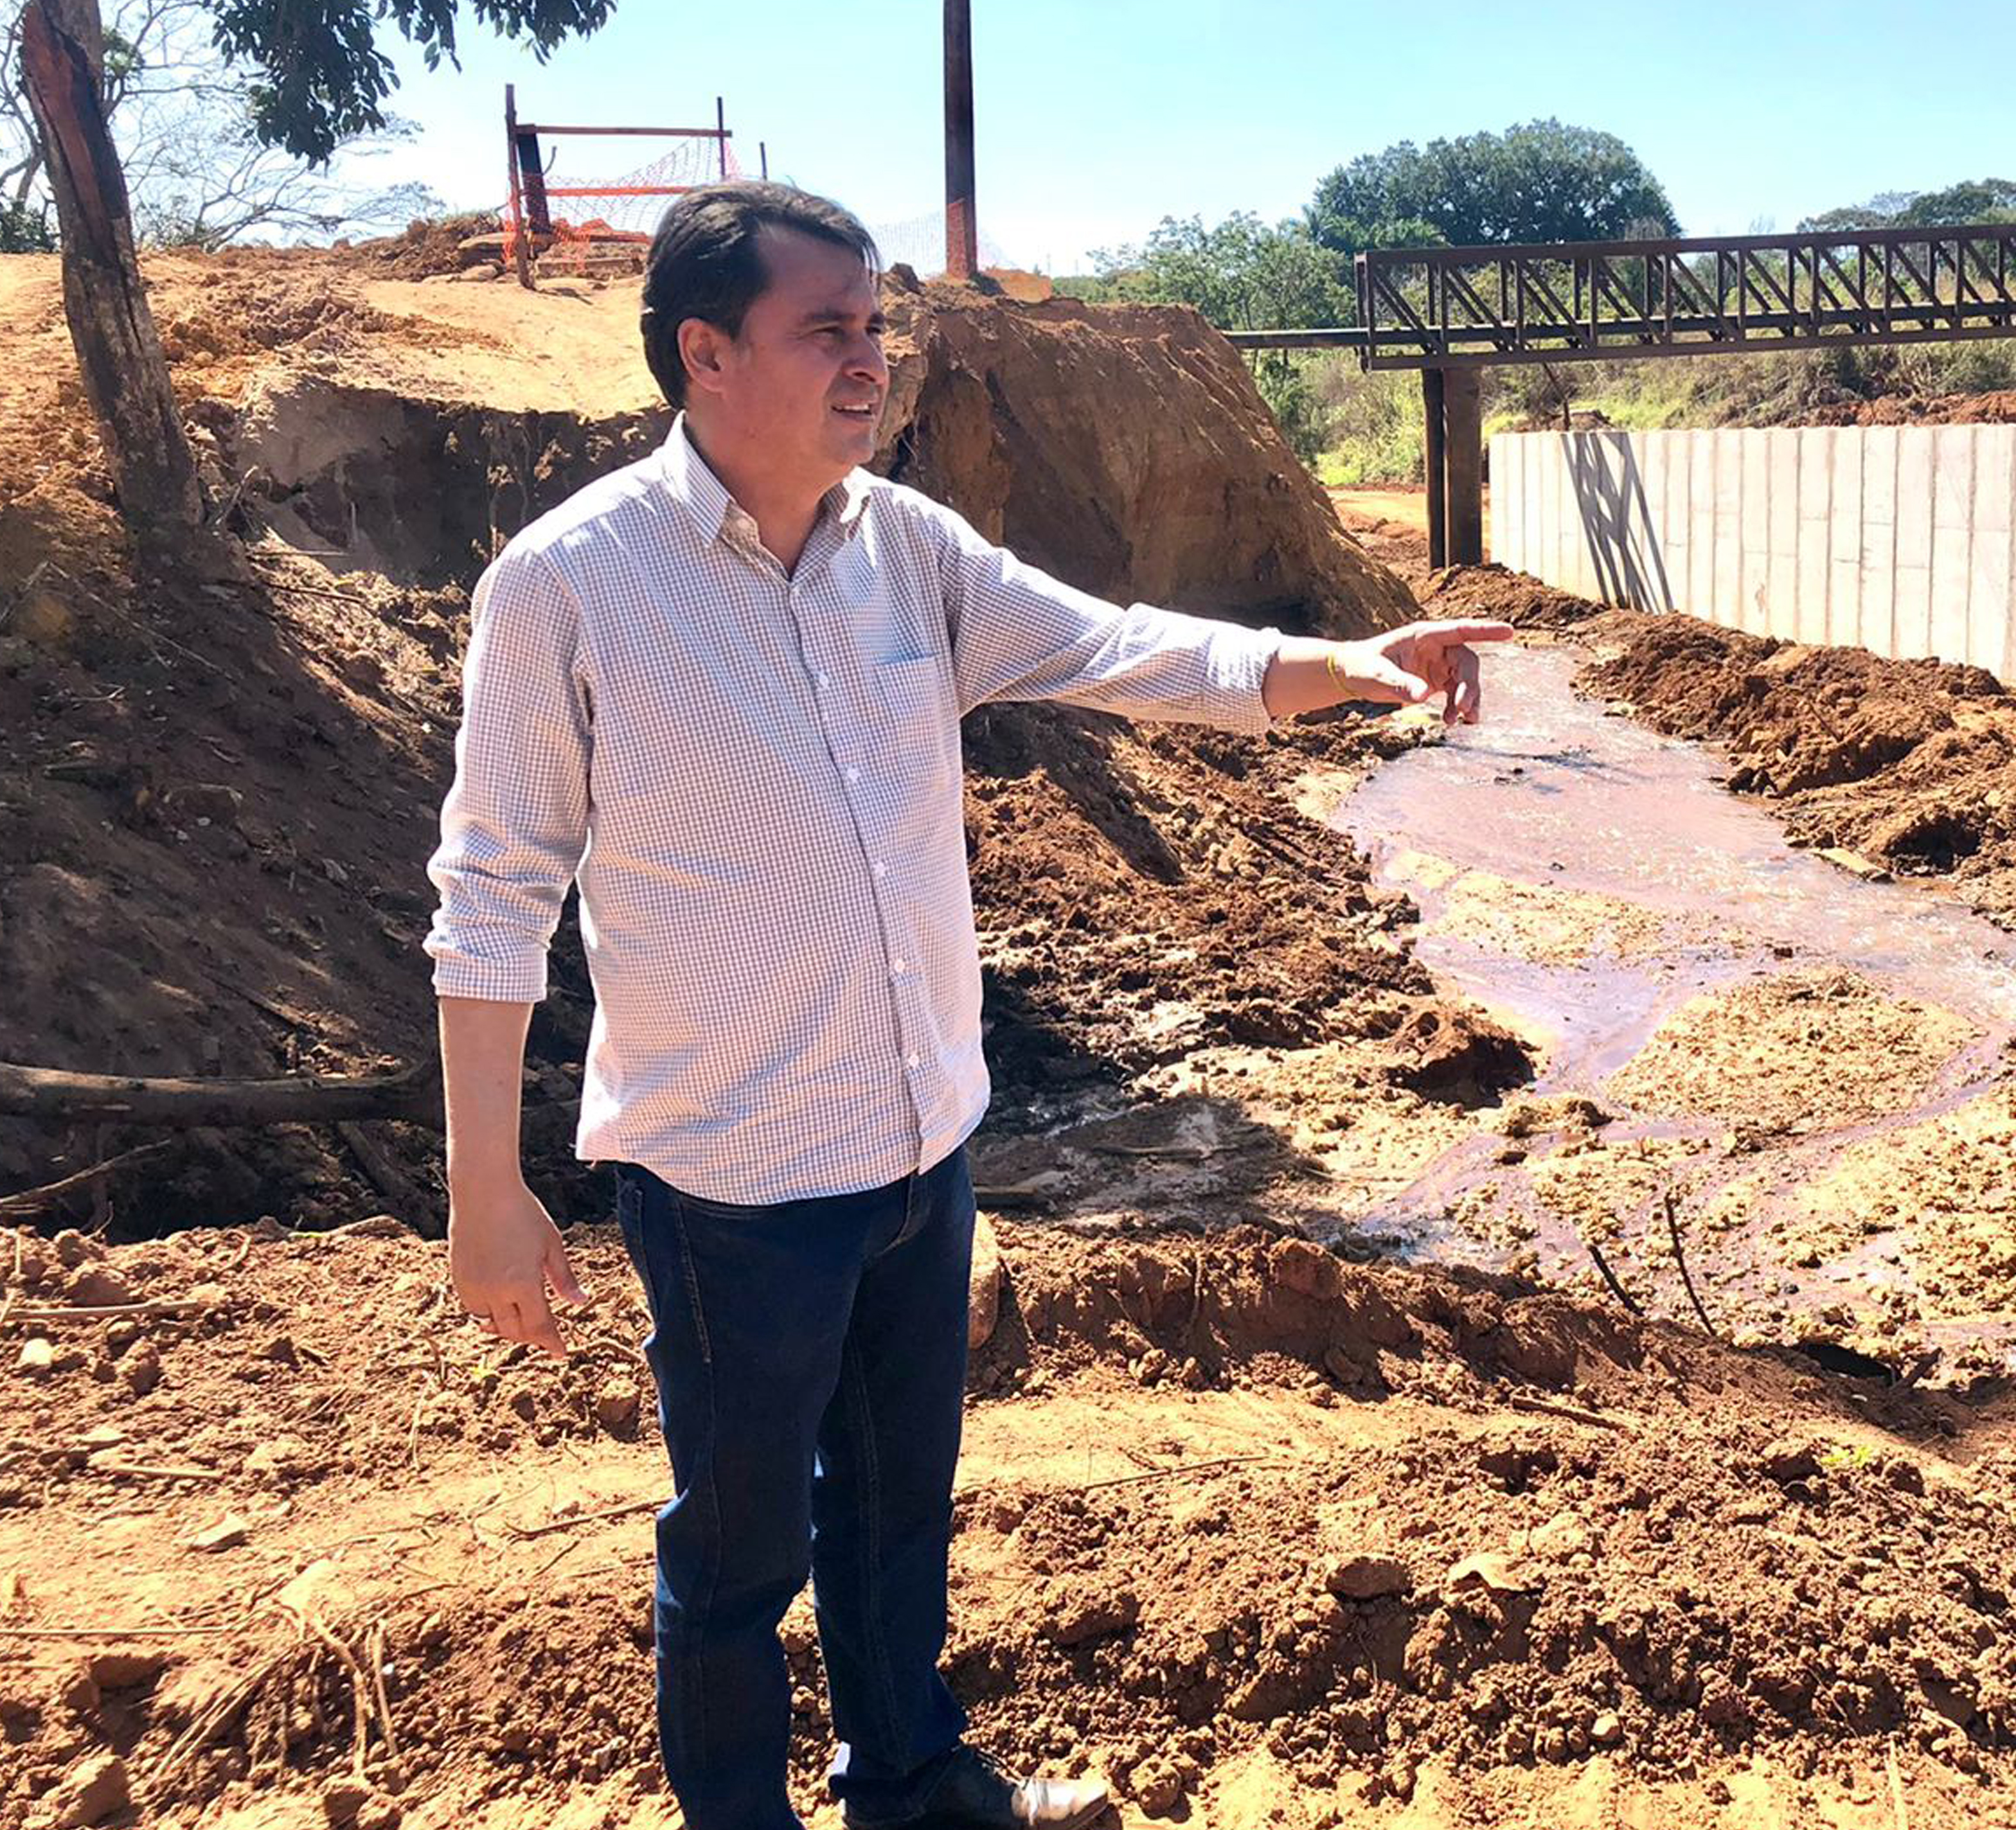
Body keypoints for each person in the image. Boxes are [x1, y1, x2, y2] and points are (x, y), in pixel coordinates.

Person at [423, 181, 1512, 1830]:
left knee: (894, 1513)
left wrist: (1346, 664)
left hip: (923, 1146)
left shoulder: (907, 550)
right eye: (828, 330)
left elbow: (1125, 649)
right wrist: (483, 1190)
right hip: (730, 1182)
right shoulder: (568, 585)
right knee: (734, 1554)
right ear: (704, 353)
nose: (873, 361)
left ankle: (912, 1783)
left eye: (877, 327)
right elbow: (492, 888)